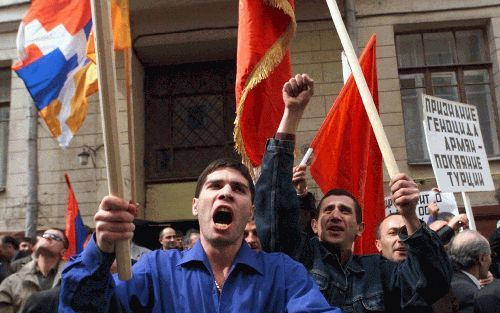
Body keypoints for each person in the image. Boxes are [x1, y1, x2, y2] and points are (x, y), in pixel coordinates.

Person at [59, 74, 340, 313]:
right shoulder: (156, 271)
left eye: (239, 189)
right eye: (215, 186)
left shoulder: (282, 273)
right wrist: (102, 248)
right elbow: (83, 306)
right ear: (195, 206)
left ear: (251, 211)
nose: (227, 193)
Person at [254, 74, 452, 313]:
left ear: (360, 229)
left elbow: (432, 283)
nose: (336, 215)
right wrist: (292, 114)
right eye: (328, 210)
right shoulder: (298, 257)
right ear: (315, 226)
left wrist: (410, 215)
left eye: (345, 211)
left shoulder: (379, 271)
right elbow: (274, 208)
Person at [0, 229, 68, 313]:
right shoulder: (12, 281)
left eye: (55, 237)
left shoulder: (71, 279)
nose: (48, 238)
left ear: (63, 252)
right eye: (45, 236)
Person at [448, 230, 495, 313]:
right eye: (490, 255)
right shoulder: (470, 295)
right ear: (482, 259)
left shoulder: (451, 278)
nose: (491, 260)